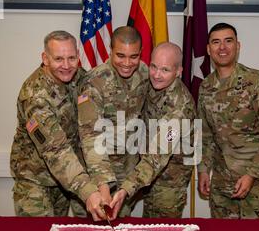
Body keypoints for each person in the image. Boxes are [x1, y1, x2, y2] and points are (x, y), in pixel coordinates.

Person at [10, 30, 110, 220]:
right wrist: (89, 191)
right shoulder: (35, 96)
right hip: (34, 181)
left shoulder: (79, 78)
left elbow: (91, 130)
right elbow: (56, 151)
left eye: (71, 58)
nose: (66, 65)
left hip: (65, 179)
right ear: (45, 58)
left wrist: (102, 182)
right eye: (58, 59)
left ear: (78, 57)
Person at [197, 22, 259, 219]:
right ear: (208, 49)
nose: (222, 47)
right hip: (222, 189)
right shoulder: (206, 87)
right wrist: (203, 170)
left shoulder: (258, 84)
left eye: (228, 41)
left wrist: (252, 175)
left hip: (258, 188)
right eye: (216, 42)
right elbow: (205, 134)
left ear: (238, 46)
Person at [110, 42, 197, 218]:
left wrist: (126, 188)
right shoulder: (151, 82)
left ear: (178, 71)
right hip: (144, 174)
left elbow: (156, 155)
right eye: (154, 66)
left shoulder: (180, 108)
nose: (156, 75)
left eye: (165, 70)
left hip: (168, 184)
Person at [78, 26, 148, 220]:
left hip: (127, 171)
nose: (127, 63)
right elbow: (91, 137)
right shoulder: (94, 82)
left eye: (133, 56)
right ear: (110, 50)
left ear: (141, 53)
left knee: (122, 230)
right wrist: (103, 185)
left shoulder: (145, 73)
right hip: (96, 171)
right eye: (120, 55)